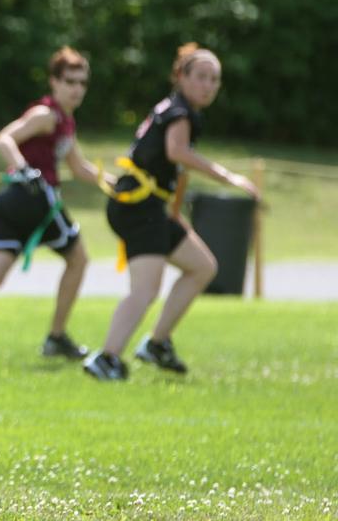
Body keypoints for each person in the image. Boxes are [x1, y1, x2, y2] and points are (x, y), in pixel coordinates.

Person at [0, 47, 113, 367]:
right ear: (54, 82)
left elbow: (79, 167)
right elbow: (4, 138)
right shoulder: (45, 114)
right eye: (70, 81)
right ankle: (56, 338)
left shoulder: (65, 120)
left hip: (16, 203)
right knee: (78, 259)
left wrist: (115, 183)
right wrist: (23, 168)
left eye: (82, 82)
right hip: (32, 200)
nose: (77, 89)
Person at [82, 43, 259, 381]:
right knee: (145, 290)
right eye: (201, 77)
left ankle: (157, 343)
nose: (208, 85)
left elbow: (174, 170)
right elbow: (177, 152)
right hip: (138, 207)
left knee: (202, 267)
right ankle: (106, 358)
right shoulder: (179, 112)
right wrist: (229, 177)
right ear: (181, 77)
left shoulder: (180, 110)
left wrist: (174, 213)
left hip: (150, 207)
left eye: (214, 79)